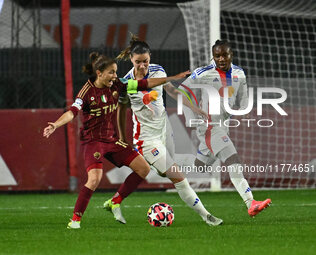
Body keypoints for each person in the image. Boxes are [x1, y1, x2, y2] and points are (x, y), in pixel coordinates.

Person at [43, 52, 190, 229]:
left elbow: (145, 83)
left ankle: (115, 201)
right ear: (99, 73)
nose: (115, 76)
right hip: (93, 141)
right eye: (111, 72)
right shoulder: (86, 92)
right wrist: (56, 125)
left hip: (111, 140)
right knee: (94, 179)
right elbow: (72, 112)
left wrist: (171, 78)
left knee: (143, 168)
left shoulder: (118, 85)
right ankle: (75, 220)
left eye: (115, 72)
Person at [108, 35, 223, 226]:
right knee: (178, 176)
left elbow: (172, 91)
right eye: (138, 62)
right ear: (131, 60)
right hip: (146, 138)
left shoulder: (157, 71)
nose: (143, 66)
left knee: (166, 173)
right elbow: (121, 110)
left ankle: (117, 198)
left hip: (164, 130)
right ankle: (207, 216)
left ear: (150, 57)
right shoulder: (126, 83)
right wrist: (122, 137)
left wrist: (195, 108)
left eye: (145, 61)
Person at [180, 40, 271, 217]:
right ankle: (250, 202)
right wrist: (192, 117)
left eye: (224, 55)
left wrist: (244, 112)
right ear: (213, 56)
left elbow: (243, 99)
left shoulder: (239, 73)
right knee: (233, 159)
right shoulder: (203, 73)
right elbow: (183, 90)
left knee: (199, 167)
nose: (221, 59)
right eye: (217, 55)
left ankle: (167, 165)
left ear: (231, 55)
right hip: (209, 127)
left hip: (223, 126)